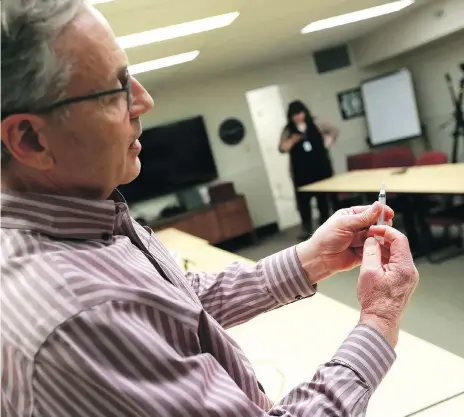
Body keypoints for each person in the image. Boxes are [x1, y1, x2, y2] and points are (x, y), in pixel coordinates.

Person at [0, 1, 419, 416]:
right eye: (117, 89)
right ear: (31, 140)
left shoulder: (88, 217)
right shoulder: (78, 319)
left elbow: (178, 303)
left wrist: (312, 257)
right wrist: (380, 320)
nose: (144, 101)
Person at [279, 100, 339, 239]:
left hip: (320, 168)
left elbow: (334, 130)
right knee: (303, 202)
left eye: (300, 113)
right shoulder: (288, 129)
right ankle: (307, 230)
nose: (297, 117)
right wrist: (293, 140)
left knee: (322, 200)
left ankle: (325, 228)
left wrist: (328, 141)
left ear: (305, 112)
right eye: (294, 115)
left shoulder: (316, 122)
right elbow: (282, 148)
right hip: (301, 172)